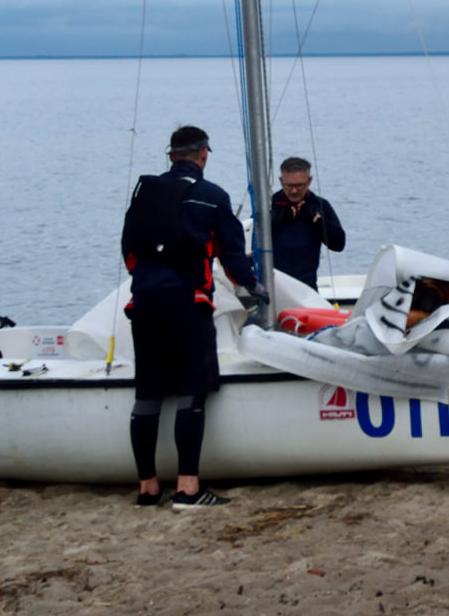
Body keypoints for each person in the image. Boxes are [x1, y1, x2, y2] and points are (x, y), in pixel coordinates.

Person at [121, 125, 262, 509]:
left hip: (143, 303)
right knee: (191, 392)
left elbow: (129, 252)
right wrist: (255, 286)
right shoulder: (212, 196)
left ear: (170, 156)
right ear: (203, 155)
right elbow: (232, 259)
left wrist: (150, 281)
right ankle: (188, 488)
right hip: (188, 302)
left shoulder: (143, 194)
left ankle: (148, 488)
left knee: (148, 397)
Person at [269, 157, 345, 291]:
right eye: (289, 186)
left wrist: (317, 221)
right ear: (281, 181)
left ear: (309, 181)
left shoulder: (319, 205)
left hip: (307, 287)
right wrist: (276, 220)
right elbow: (251, 242)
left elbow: (338, 245)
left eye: (299, 185)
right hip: (274, 285)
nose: (294, 191)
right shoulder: (269, 205)